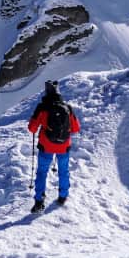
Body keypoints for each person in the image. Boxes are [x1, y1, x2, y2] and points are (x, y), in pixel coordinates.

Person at [27, 79, 81, 212]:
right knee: (64, 171)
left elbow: (32, 128)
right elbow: (75, 129)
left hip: (46, 146)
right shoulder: (67, 108)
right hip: (64, 146)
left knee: (42, 172)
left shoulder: (42, 108)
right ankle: (63, 196)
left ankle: (39, 201)